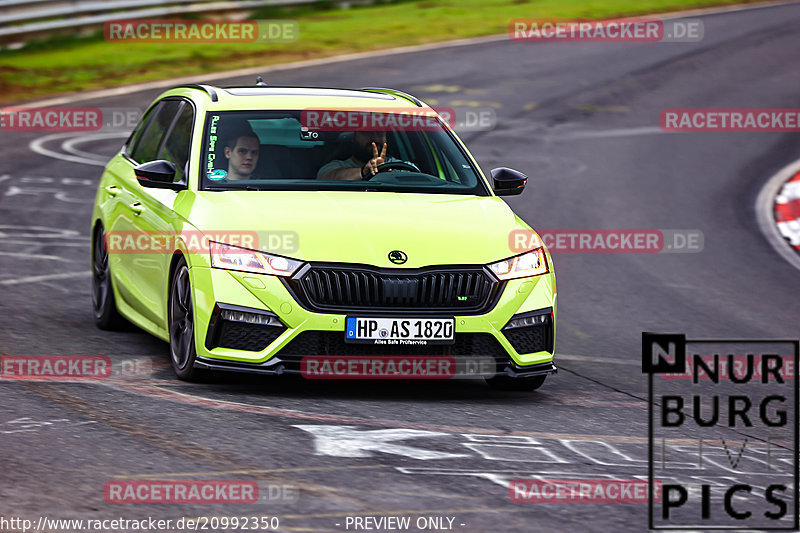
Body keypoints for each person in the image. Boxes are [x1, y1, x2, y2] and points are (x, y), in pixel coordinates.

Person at [316, 131, 416, 180]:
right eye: (366, 133)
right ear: (353, 138)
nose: (375, 138)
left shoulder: (405, 167)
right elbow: (329, 177)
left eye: (380, 133)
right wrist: (364, 172)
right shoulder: (334, 167)